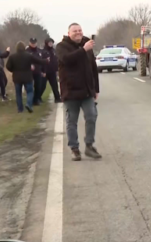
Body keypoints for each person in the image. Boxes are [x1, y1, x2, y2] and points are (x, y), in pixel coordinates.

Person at [56, 23, 101, 161]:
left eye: (80, 30)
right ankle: (74, 149)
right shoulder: (61, 47)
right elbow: (67, 60)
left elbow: (93, 68)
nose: (78, 33)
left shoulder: (87, 45)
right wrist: (83, 49)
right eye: (74, 31)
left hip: (87, 91)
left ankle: (89, 145)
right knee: (72, 121)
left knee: (92, 116)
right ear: (69, 33)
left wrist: (96, 89)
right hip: (70, 92)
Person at [5, 42, 47, 113]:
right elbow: (38, 61)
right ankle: (28, 104)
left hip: (17, 77)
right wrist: (46, 61)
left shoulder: (12, 56)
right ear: (24, 47)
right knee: (30, 92)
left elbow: (8, 66)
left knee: (18, 93)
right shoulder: (28, 55)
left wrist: (13, 70)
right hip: (27, 77)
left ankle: (20, 109)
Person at [26, 38, 47, 106]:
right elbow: (24, 61)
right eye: (32, 43)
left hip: (38, 71)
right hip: (29, 72)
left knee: (38, 87)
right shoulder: (26, 51)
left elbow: (42, 61)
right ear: (29, 43)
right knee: (30, 87)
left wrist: (44, 71)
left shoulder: (40, 51)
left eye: (34, 43)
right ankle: (31, 100)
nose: (33, 44)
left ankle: (36, 100)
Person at [42, 38, 62, 103]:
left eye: (51, 42)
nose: (51, 44)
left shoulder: (54, 51)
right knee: (42, 86)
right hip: (45, 71)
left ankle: (57, 98)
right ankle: (37, 98)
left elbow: (56, 61)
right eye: (49, 43)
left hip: (52, 71)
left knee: (55, 85)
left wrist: (57, 70)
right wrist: (43, 71)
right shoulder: (43, 51)